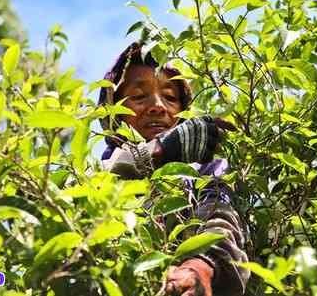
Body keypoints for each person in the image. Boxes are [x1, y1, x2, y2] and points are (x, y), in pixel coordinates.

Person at [98, 42, 250, 296]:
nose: (157, 106)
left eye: (170, 97)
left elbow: (220, 217)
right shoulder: (95, 174)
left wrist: (201, 267)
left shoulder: (204, 168)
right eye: (137, 97)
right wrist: (158, 151)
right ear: (113, 114)